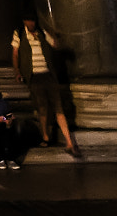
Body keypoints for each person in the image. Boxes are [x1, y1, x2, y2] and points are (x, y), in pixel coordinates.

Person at [13, 16, 77, 157]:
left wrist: (53, 34)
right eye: (28, 21)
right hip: (34, 76)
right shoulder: (19, 33)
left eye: (33, 21)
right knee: (42, 107)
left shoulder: (42, 32)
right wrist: (17, 71)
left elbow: (55, 45)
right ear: (24, 21)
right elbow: (15, 53)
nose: (31, 23)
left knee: (58, 107)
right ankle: (45, 137)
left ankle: (69, 142)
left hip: (48, 74)